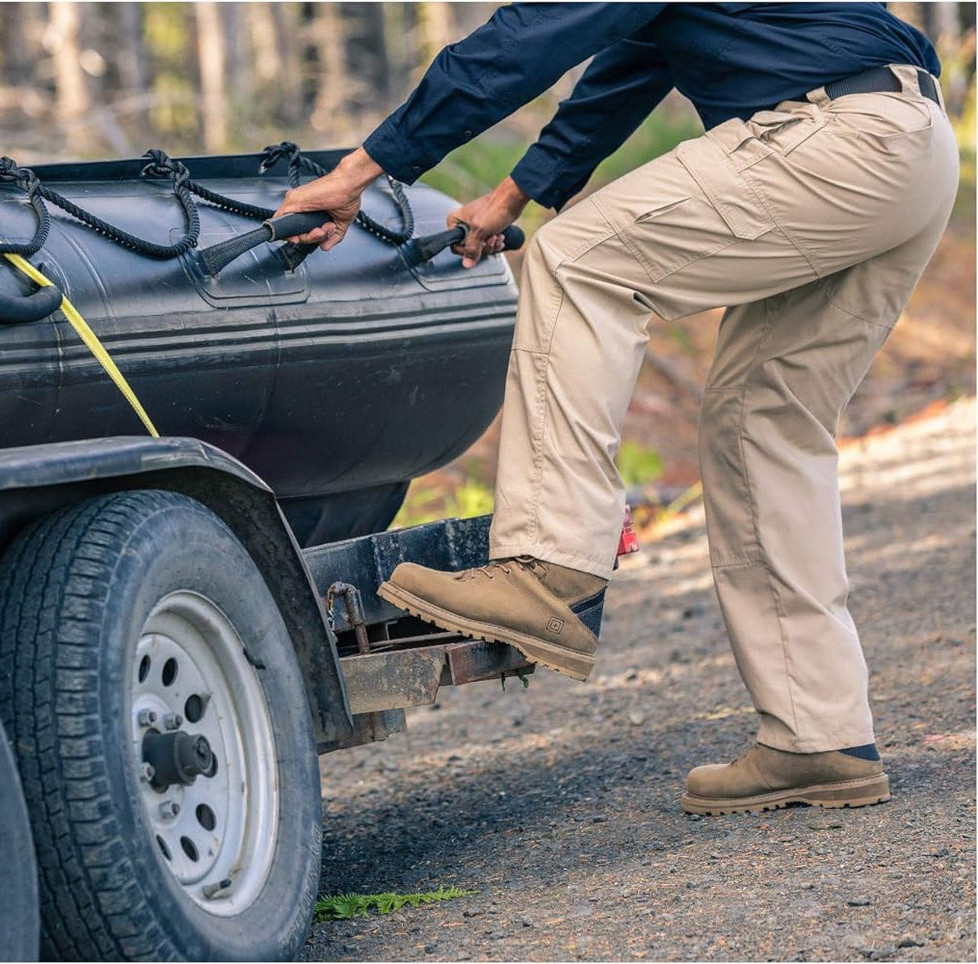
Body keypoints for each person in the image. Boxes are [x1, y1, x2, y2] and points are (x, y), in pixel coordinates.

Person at [273, 3, 957, 815]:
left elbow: (525, 39)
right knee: (760, 427)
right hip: (907, 144)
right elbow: (633, 61)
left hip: (833, 138)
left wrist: (363, 170)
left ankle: (547, 560)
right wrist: (515, 192)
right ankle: (819, 736)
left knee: (576, 267)